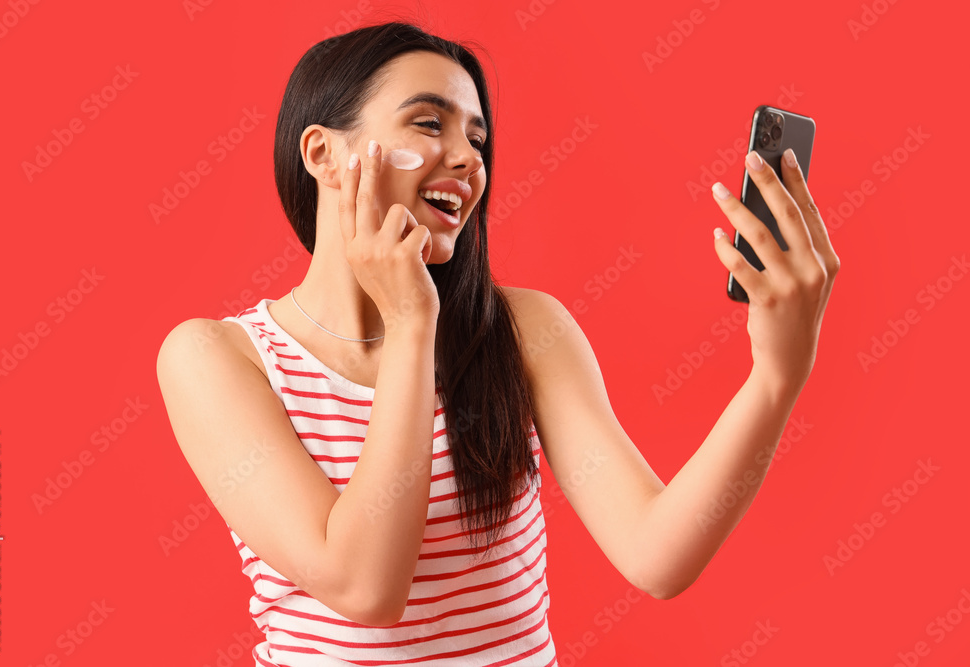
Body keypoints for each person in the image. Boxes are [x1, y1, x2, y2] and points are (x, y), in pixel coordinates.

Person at [155, 20, 839, 667]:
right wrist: (412, 325)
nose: (467, 158)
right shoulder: (218, 359)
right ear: (323, 154)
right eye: (429, 123)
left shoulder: (526, 329)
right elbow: (366, 588)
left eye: (478, 140)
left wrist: (776, 376)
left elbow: (655, 554)